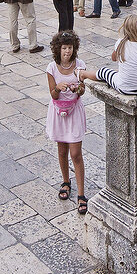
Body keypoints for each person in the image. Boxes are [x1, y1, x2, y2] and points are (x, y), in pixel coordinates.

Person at [46, 29, 88, 215]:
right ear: (58, 49)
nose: (67, 52)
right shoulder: (52, 68)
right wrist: (58, 87)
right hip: (58, 112)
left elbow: (83, 90)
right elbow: (52, 94)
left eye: (70, 48)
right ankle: (66, 181)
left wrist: (77, 88)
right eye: (64, 48)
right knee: (62, 149)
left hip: (74, 112)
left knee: (76, 153)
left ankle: (81, 194)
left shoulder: (79, 65)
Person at [79, 14, 137, 93]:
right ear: (136, 32)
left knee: (103, 71)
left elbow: (113, 58)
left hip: (123, 87)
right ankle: (83, 74)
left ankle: (83, 74)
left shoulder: (120, 42)